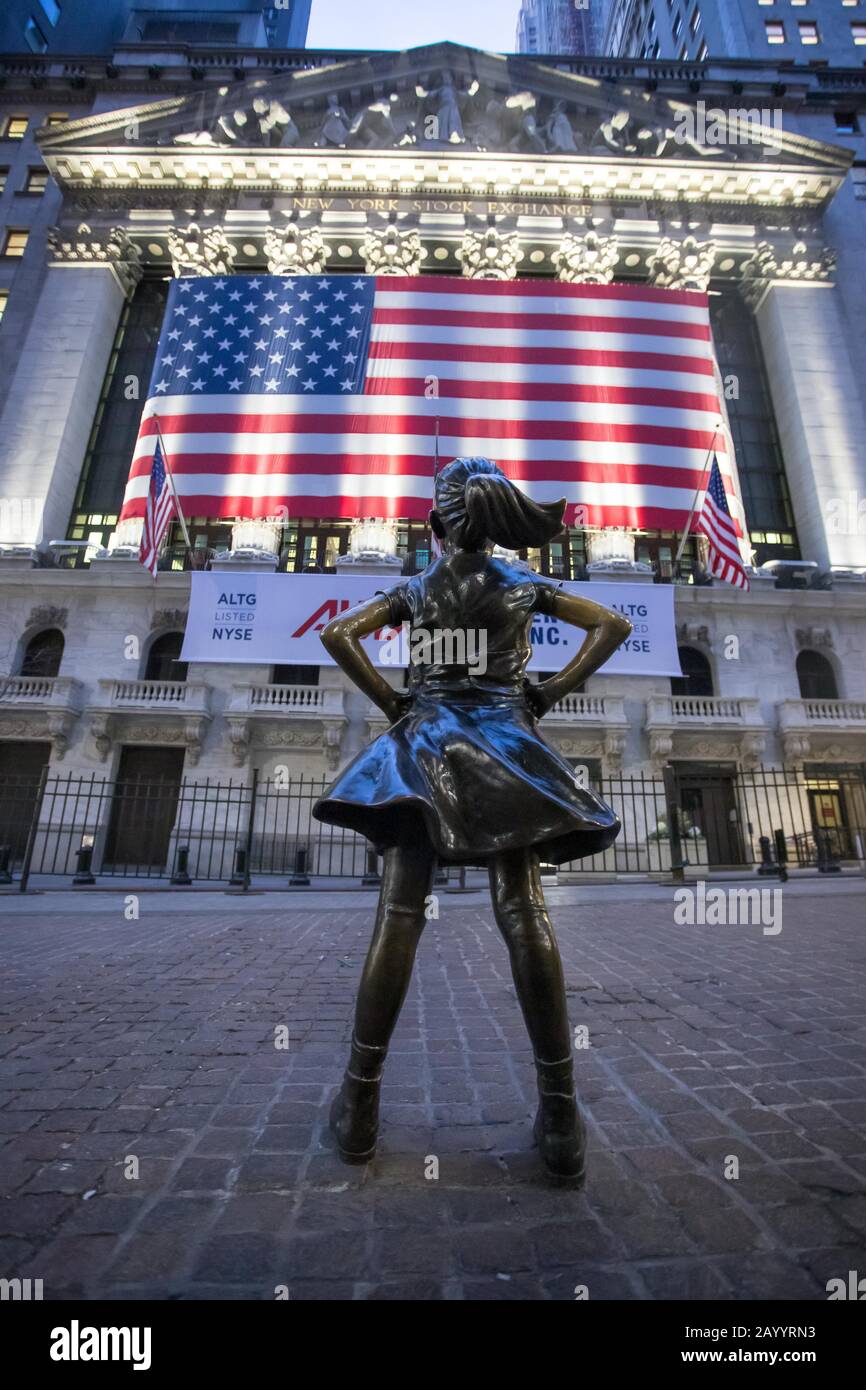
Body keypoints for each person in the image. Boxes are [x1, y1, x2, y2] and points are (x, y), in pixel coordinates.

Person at [313, 458, 632, 1180]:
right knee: (524, 912)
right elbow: (611, 623)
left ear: (437, 524)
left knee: (398, 914)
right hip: (504, 740)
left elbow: (338, 636)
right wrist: (546, 694)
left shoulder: (418, 587)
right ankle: (559, 1115)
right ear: (495, 528)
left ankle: (359, 1105)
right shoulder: (521, 584)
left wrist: (394, 703)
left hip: (423, 740)